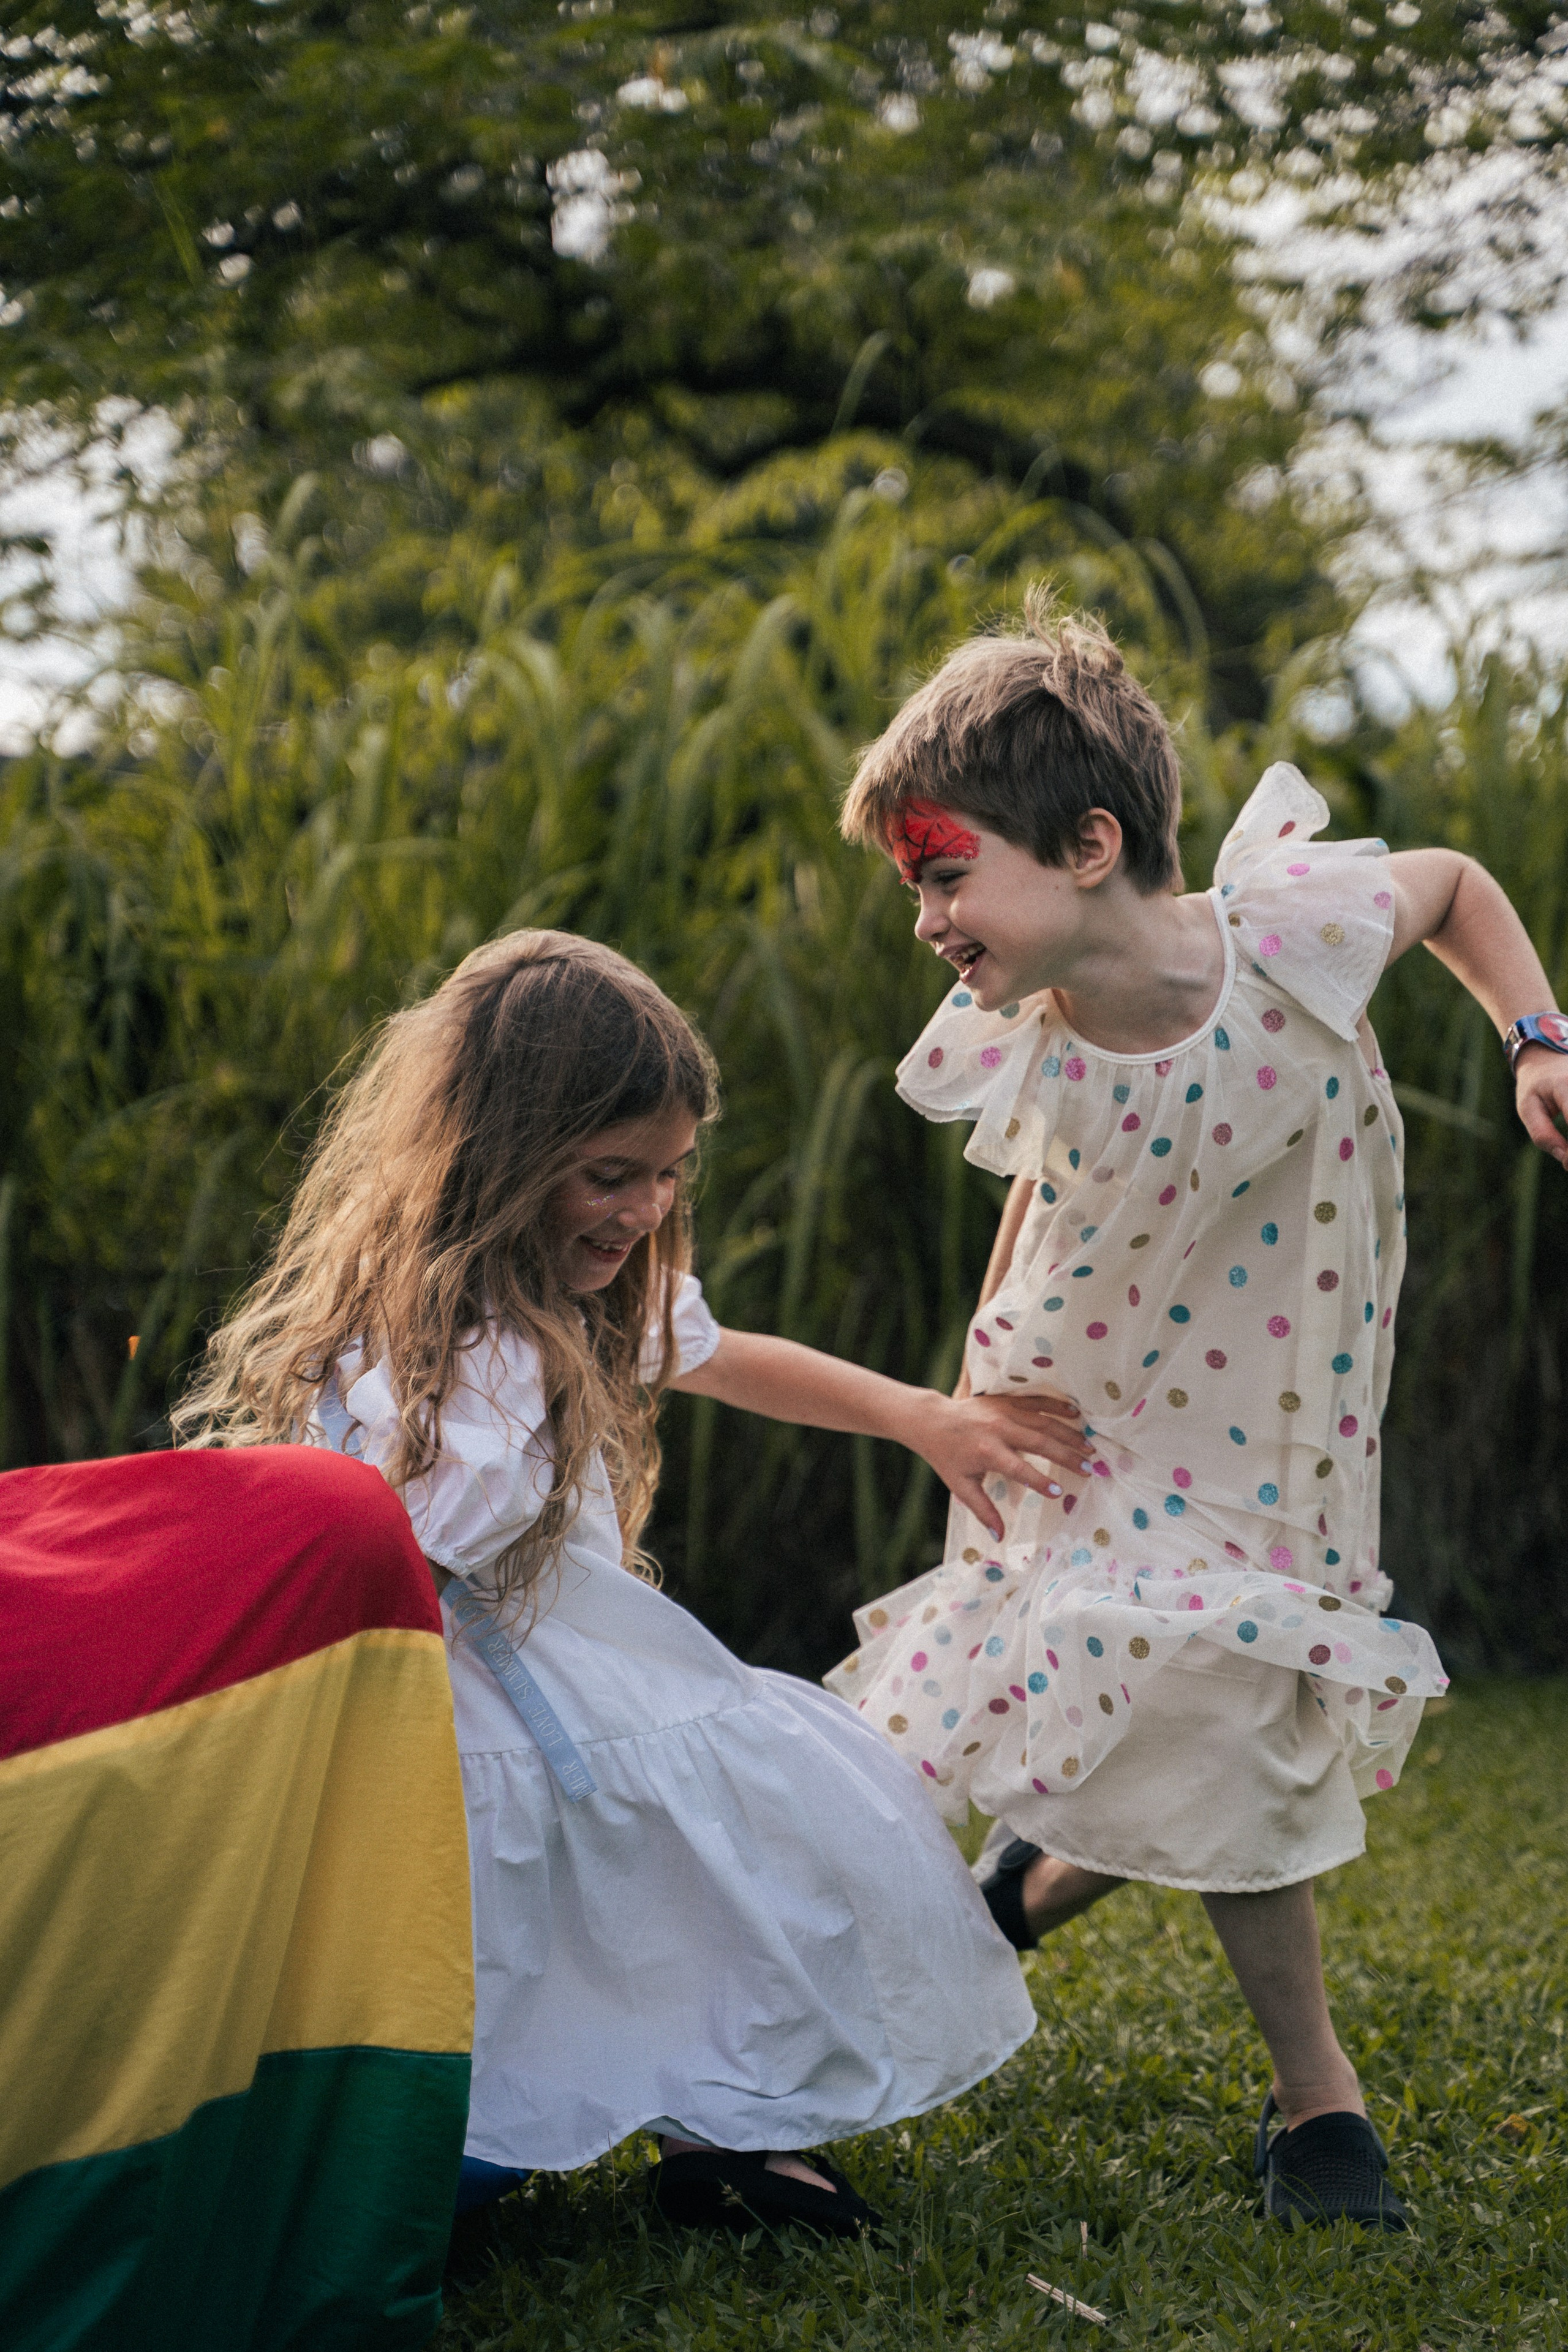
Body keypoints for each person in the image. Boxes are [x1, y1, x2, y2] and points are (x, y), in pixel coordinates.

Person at [827, 592, 1568, 2233]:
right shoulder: (1029, 1032)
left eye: (945, 871)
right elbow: (1038, 1207)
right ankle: (1324, 2108)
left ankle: (1033, 1879)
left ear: (1089, 843)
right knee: (1112, 1675)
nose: (928, 917)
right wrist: (977, 1386)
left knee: (1224, 1701)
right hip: (1085, 1413)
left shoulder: (1292, 929)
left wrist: (1537, 1040)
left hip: (1277, 1397)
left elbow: (1455, 886)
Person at [173, 932, 1069, 2246]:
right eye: (608, 1177)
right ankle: (471, 2159)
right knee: (538, 1938)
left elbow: (724, 1353)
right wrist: (534, 1371)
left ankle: (733, 2134)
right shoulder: (443, 1331)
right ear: (495, 1159)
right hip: (467, 1709)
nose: (644, 1209)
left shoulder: (575, 1294)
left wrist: (922, 1417)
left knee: (726, 1871)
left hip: (585, 1677)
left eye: (667, 1175)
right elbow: (424, 1531)